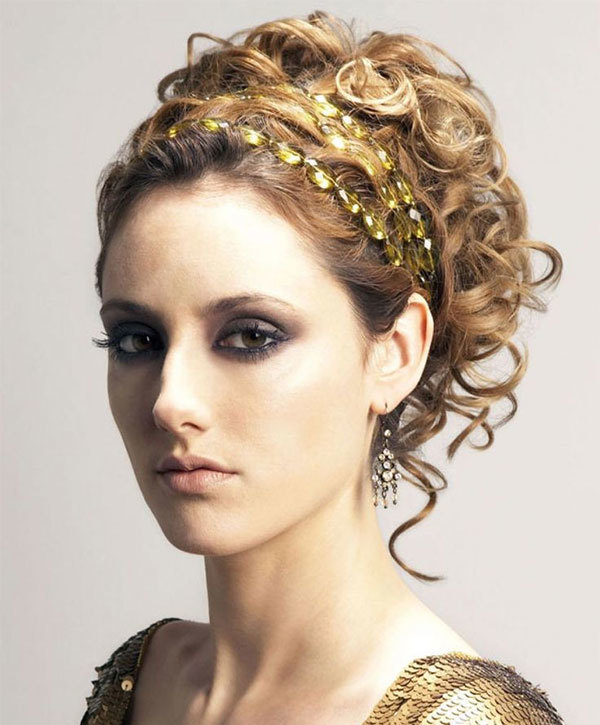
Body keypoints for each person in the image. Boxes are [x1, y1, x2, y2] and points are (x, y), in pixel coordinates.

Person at [81, 10, 565, 724]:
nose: (169, 400)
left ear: (395, 352)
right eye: (137, 340)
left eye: (250, 336)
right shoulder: (144, 677)